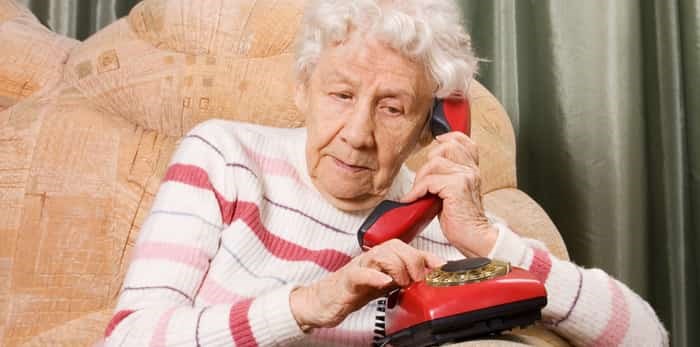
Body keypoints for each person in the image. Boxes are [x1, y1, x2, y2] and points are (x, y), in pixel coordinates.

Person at [103, 1, 669, 346]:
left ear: (435, 124)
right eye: (341, 94)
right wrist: (309, 305)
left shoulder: (446, 229)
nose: (357, 132)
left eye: (393, 107)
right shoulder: (223, 158)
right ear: (304, 88)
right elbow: (128, 340)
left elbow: (646, 337)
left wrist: (492, 242)